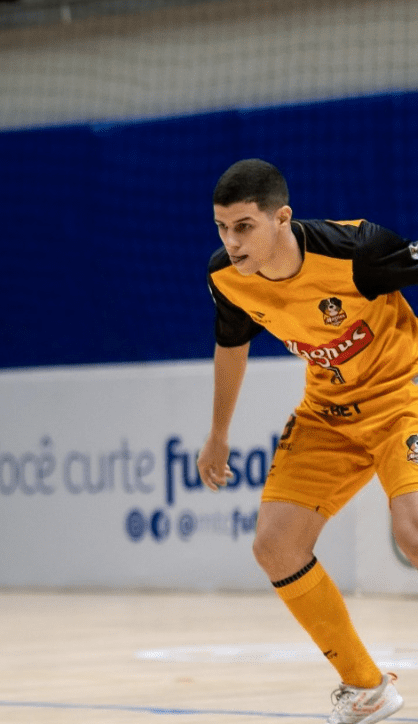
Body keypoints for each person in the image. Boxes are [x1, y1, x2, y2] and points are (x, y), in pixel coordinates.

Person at [199, 158, 414, 724]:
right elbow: (231, 345)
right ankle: (366, 688)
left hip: (401, 397)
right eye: (222, 227)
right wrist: (218, 433)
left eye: (243, 226)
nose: (231, 241)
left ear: (281, 219)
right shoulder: (227, 278)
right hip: (327, 415)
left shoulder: (357, 253)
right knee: (274, 546)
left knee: (413, 530)